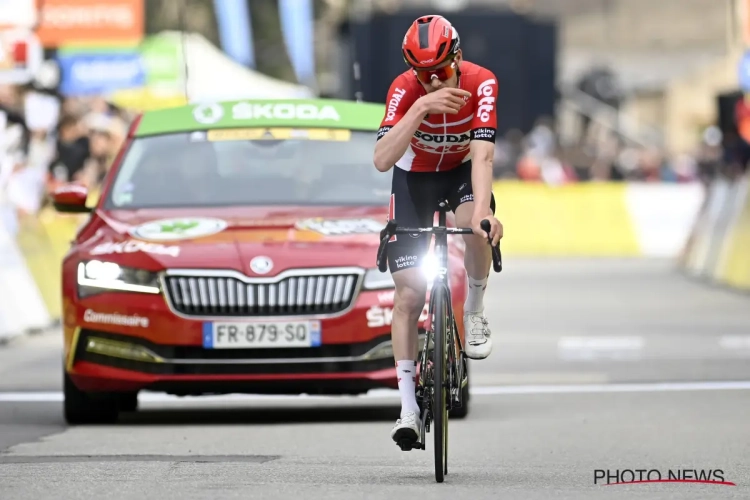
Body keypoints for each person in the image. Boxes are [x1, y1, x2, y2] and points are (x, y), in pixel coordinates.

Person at [372, 14, 503, 447]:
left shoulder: (483, 82)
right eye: (423, 75)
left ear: (458, 59)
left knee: (478, 228)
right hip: (415, 179)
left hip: (462, 173)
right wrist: (421, 107)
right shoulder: (405, 90)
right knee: (409, 294)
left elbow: (483, 157)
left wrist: (484, 214)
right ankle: (408, 408)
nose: (432, 82)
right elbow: (382, 158)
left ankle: (475, 310)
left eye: (441, 73)